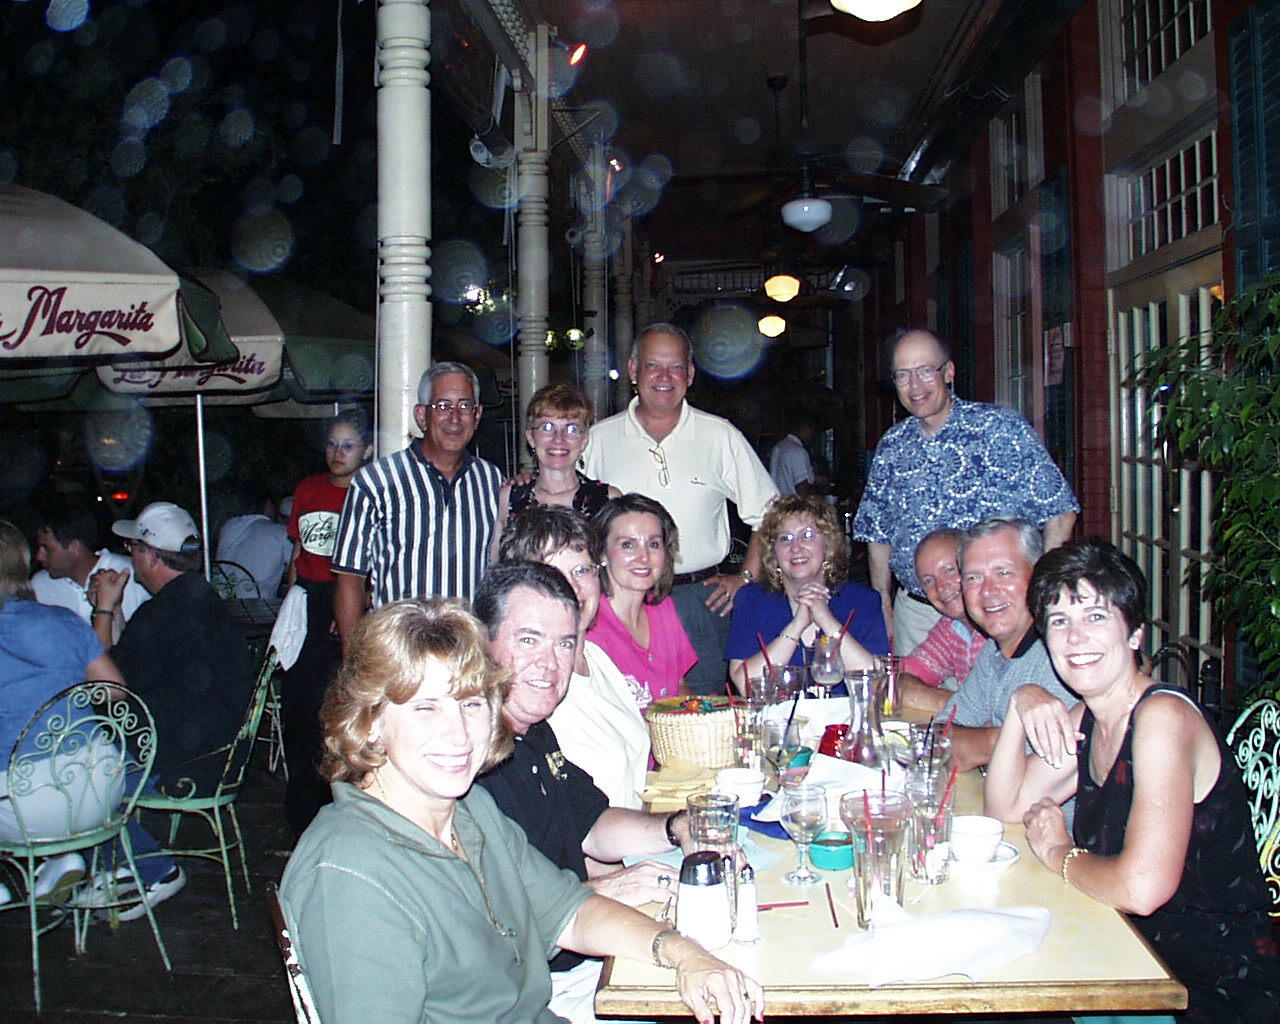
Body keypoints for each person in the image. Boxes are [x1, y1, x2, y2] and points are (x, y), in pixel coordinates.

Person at [281, 596, 763, 1024]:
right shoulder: (350, 874)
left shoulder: (469, 813)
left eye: (470, 704)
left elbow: (570, 911)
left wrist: (683, 953)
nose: (458, 734)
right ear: (370, 723)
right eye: (426, 708)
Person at [985, 539, 1280, 1023]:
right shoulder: (1090, 718)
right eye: (1059, 621)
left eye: (1096, 617)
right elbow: (1006, 811)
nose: (1075, 638)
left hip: (1204, 989)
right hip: (1124, 955)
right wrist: (1023, 701)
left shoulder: (1162, 718)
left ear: (1135, 634)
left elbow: (1143, 889)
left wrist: (1059, 851)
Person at [475, 561, 727, 1024]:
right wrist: (601, 890)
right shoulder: (464, 763)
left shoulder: (532, 733)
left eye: (565, 644)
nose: (550, 664)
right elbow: (487, 926)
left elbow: (591, 823)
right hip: (534, 991)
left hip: (589, 961)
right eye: (528, 639)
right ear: (483, 644)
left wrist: (678, 827)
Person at [853, 328, 1079, 653]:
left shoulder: (999, 429)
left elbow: (1060, 511)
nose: (914, 386)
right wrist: (884, 604)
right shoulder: (892, 445)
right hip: (917, 614)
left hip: (994, 613)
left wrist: (1037, 593)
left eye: (924, 371)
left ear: (948, 372)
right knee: (918, 701)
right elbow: (877, 533)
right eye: (903, 375)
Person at [583, 323, 778, 695]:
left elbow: (770, 513)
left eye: (675, 367)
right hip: (620, 599)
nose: (664, 377)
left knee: (703, 709)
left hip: (700, 601)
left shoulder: (719, 435)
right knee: (623, 702)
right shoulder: (598, 440)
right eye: (653, 365)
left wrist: (746, 578)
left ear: (690, 374)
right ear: (633, 370)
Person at [84, 501, 254, 913]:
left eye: (134, 549)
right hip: (220, 750)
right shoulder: (199, 597)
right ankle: (116, 866)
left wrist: (103, 608)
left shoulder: (166, 611)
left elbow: (105, 687)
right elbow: (139, 663)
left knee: (81, 784)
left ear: (151, 556)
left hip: (189, 763)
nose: (131, 557)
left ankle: (155, 869)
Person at [0, 520, 134, 906]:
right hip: (98, 791)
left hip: (26, 807)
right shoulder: (63, 620)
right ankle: (58, 860)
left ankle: (29, 871)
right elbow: (115, 693)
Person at [331, 362, 502, 649]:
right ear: (422, 415)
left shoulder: (492, 480)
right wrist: (354, 664)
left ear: (478, 414)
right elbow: (349, 579)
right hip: (400, 653)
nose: (455, 418)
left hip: (470, 654)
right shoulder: (375, 481)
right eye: (443, 406)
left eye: (464, 406)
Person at [496, 505, 650, 809]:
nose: (573, 588)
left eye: (582, 570)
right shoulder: (533, 684)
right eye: (552, 574)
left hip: (637, 841)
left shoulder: (596, 656)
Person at [902, 517, 1077, 774]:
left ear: (1039, 573)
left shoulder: (1064, 656)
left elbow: (1037, 767)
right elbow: (940, 738)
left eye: (1003, 572)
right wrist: (998, 739)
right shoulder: (994, 652)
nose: (988, 591)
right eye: (973, 577)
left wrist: (985, 741)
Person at [281, 409, 374, 838]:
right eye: (333, 444)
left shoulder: (371, 493)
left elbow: (375, 564)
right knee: (299, 708)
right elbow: (298, 554)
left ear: (366, 450)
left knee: (341, 711)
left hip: (349, 601)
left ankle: (345, 816)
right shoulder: (308, 489)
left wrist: (354, 609)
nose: (338, 453)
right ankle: (301, 816)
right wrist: (290, 607)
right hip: (309, 602)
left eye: (348, 445)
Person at [726, 495, 886, 692]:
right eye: (785, 539)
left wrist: (827, 620)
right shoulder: (751, 600)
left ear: (828, 545)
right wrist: (796, 625)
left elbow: (877, 684)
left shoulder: (862, 600)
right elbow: (746, 686)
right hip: (778, 720)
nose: (795, 547)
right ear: (773, 552)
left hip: (845, 720)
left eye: (807, 535)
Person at [587, 494, 697, 705]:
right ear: (602, 553)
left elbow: (679, 686)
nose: (644, 557)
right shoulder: (589, 623)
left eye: (654, 544)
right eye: (628, 544)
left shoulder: (663, 607)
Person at [490, 383, 620, 561]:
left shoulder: (608, 499)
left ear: (584, 440)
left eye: (571, 429)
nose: (559, 439)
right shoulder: (509, 498)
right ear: (531, 437)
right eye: (547, 428)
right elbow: (496, 569)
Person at [30, 506, 150, 635]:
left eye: (47, 549)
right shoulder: (39, 585)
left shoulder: (132, 574)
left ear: (75, 547)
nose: (39, 556)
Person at [897, 528, 988, 692]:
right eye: (929, 581)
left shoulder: (1002, 626)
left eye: (949, 570)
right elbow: (899, 679)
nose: (941, 586)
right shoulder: (950, 629)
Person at [215, 493, 293, 601]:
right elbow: (294, 570)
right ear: (268, 504)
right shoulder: (280, 532)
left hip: (219, 599)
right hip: (255, 605)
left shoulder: (229, 525)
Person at [768, 412, 830, 498]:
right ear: (806, 429)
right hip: (795, 508)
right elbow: (802, 490)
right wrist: (819, 490)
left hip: (778, 506)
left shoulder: (777, 447)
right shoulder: (798, 451)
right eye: (813, 431)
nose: (813, 437)